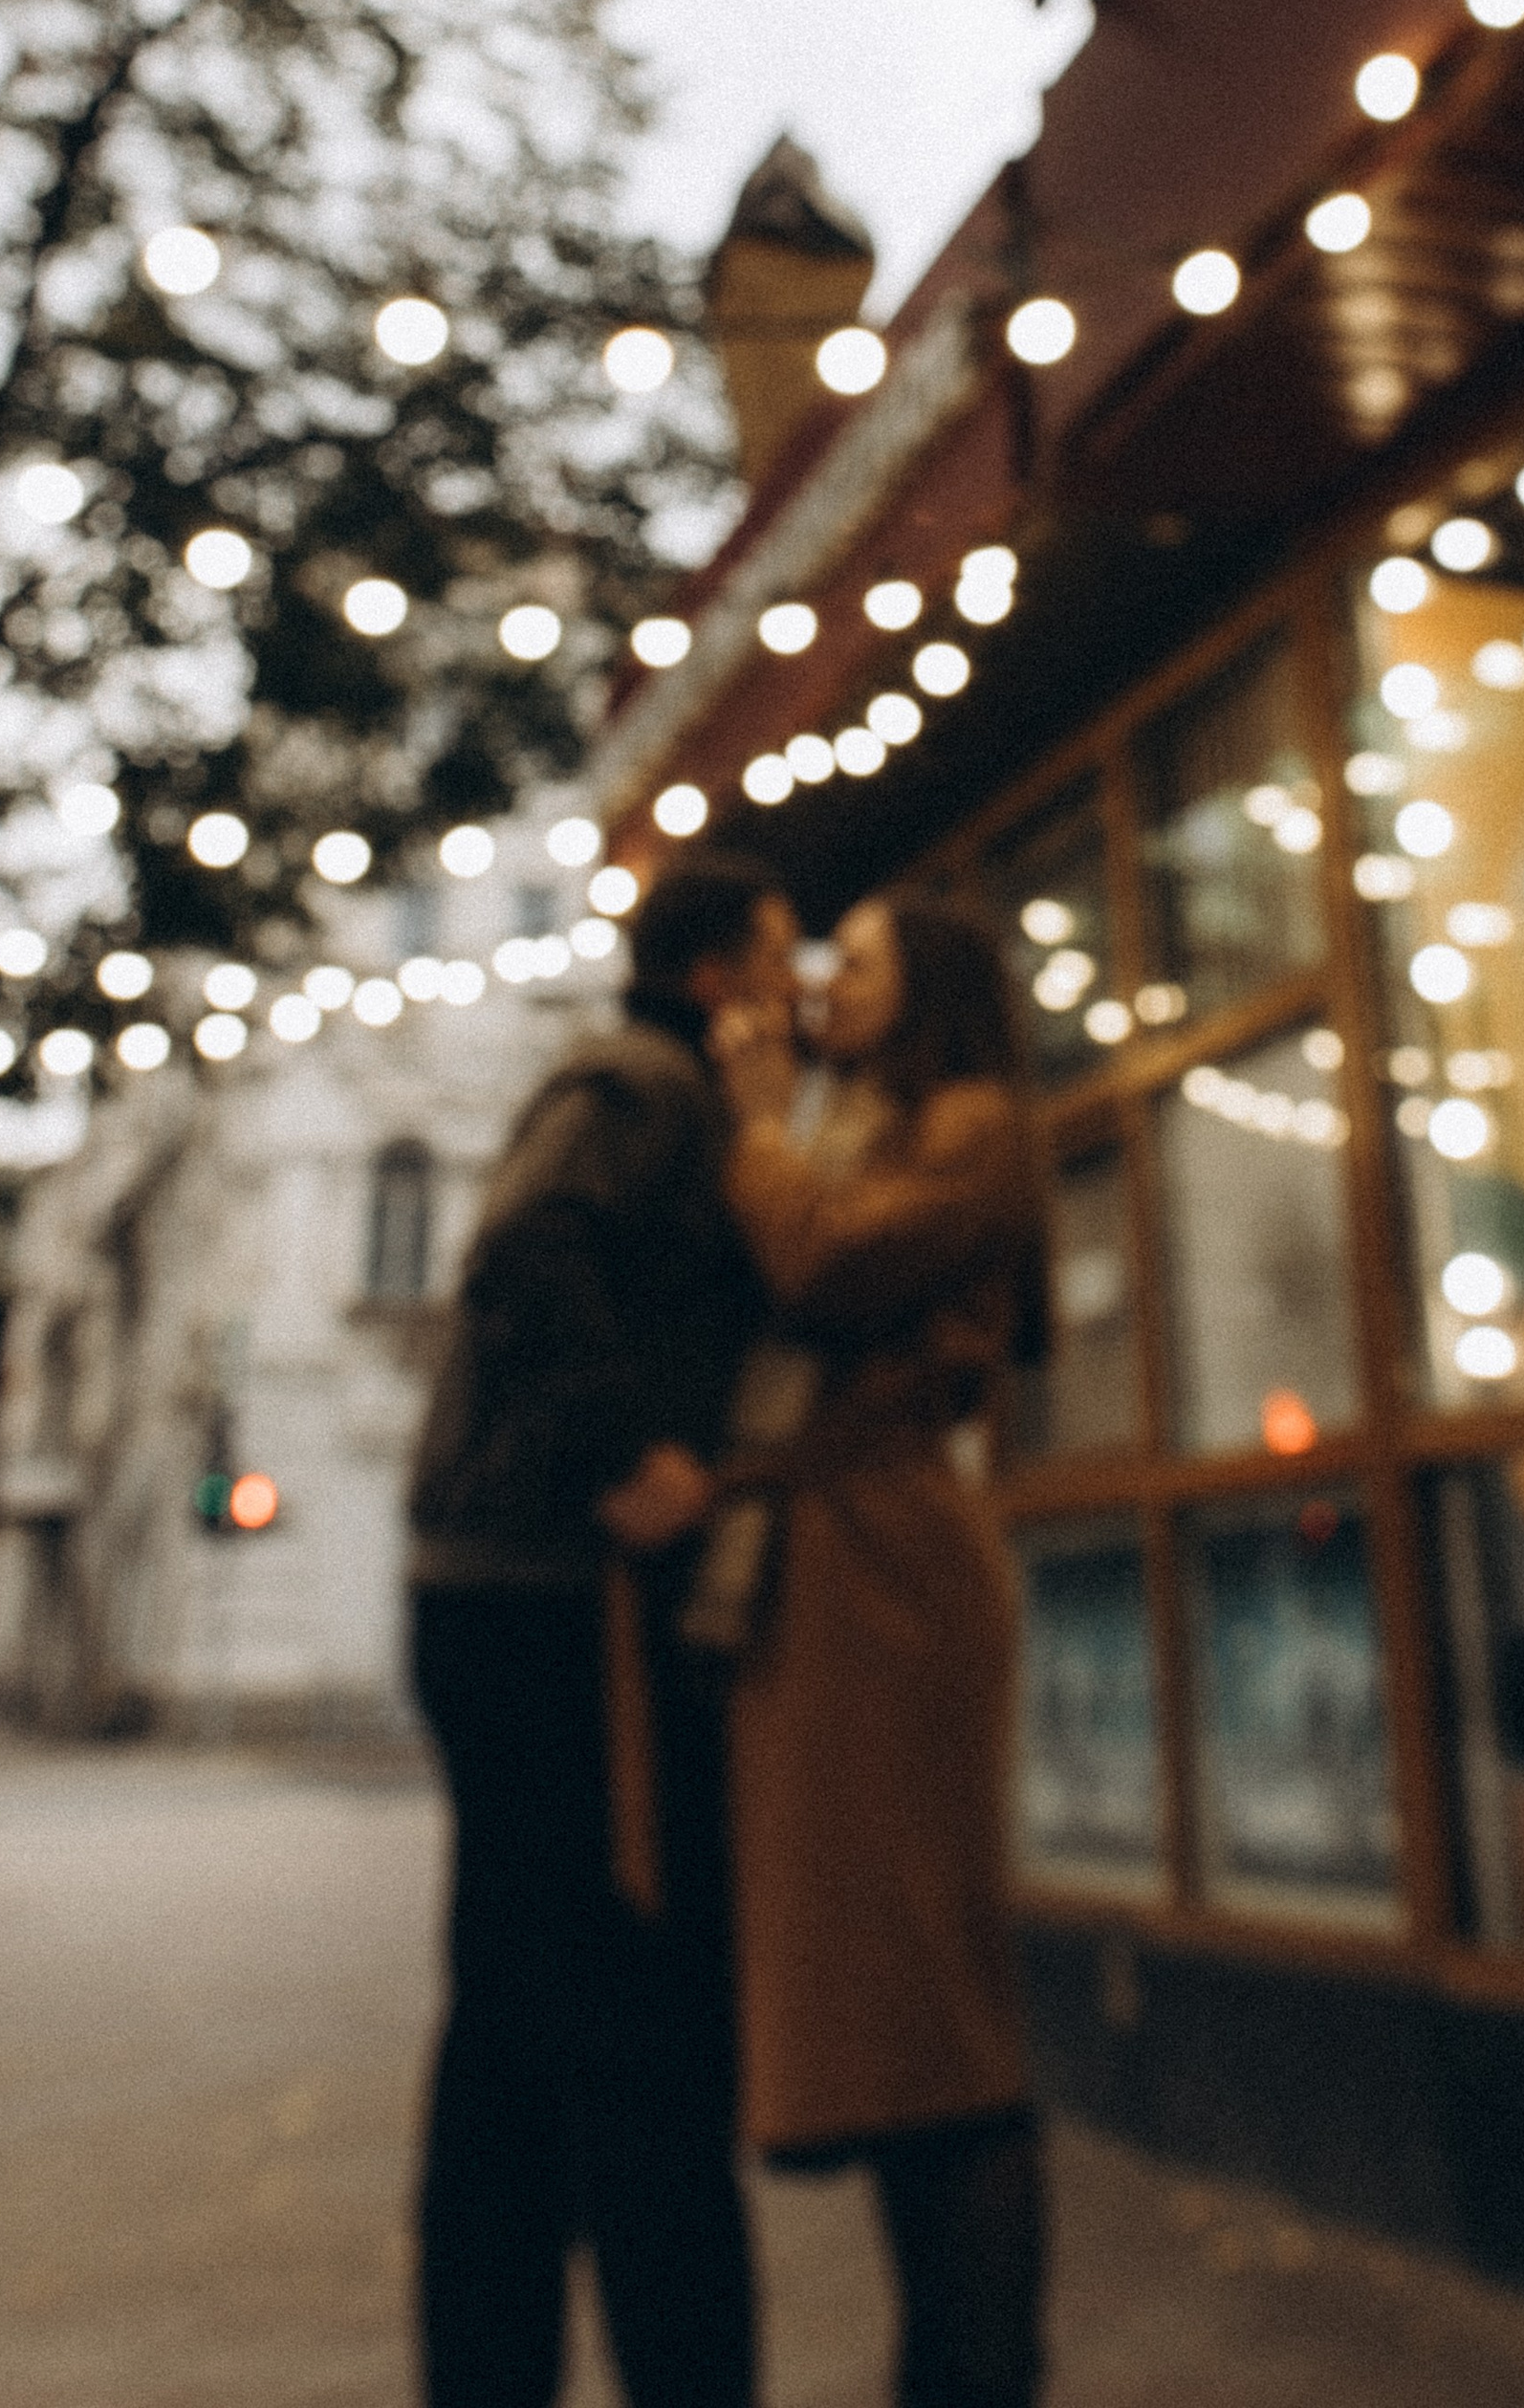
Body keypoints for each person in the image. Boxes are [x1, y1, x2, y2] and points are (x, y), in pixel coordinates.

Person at [404, 850, 795, 2408]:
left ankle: (490, 2367)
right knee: (630, 2028)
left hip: (514, 1594)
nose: (799, 990)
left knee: (517, 2023)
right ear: (714, 977)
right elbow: (523, 1247)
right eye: (778, 958)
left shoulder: (685, 1100)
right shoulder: (647, 1086)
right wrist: (624, 1451)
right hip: (555, 1608)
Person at [708, 890, 1053, 2408]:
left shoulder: (972, 1123)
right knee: (889, 2014)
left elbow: (827, 1264)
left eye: (858, 959)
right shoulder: (870, 1119)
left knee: (931, 2014)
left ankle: (979, 2370)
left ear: (931, 987)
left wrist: (757, 1127)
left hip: (890, 1573)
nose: (826, 981)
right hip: (835, 1566)